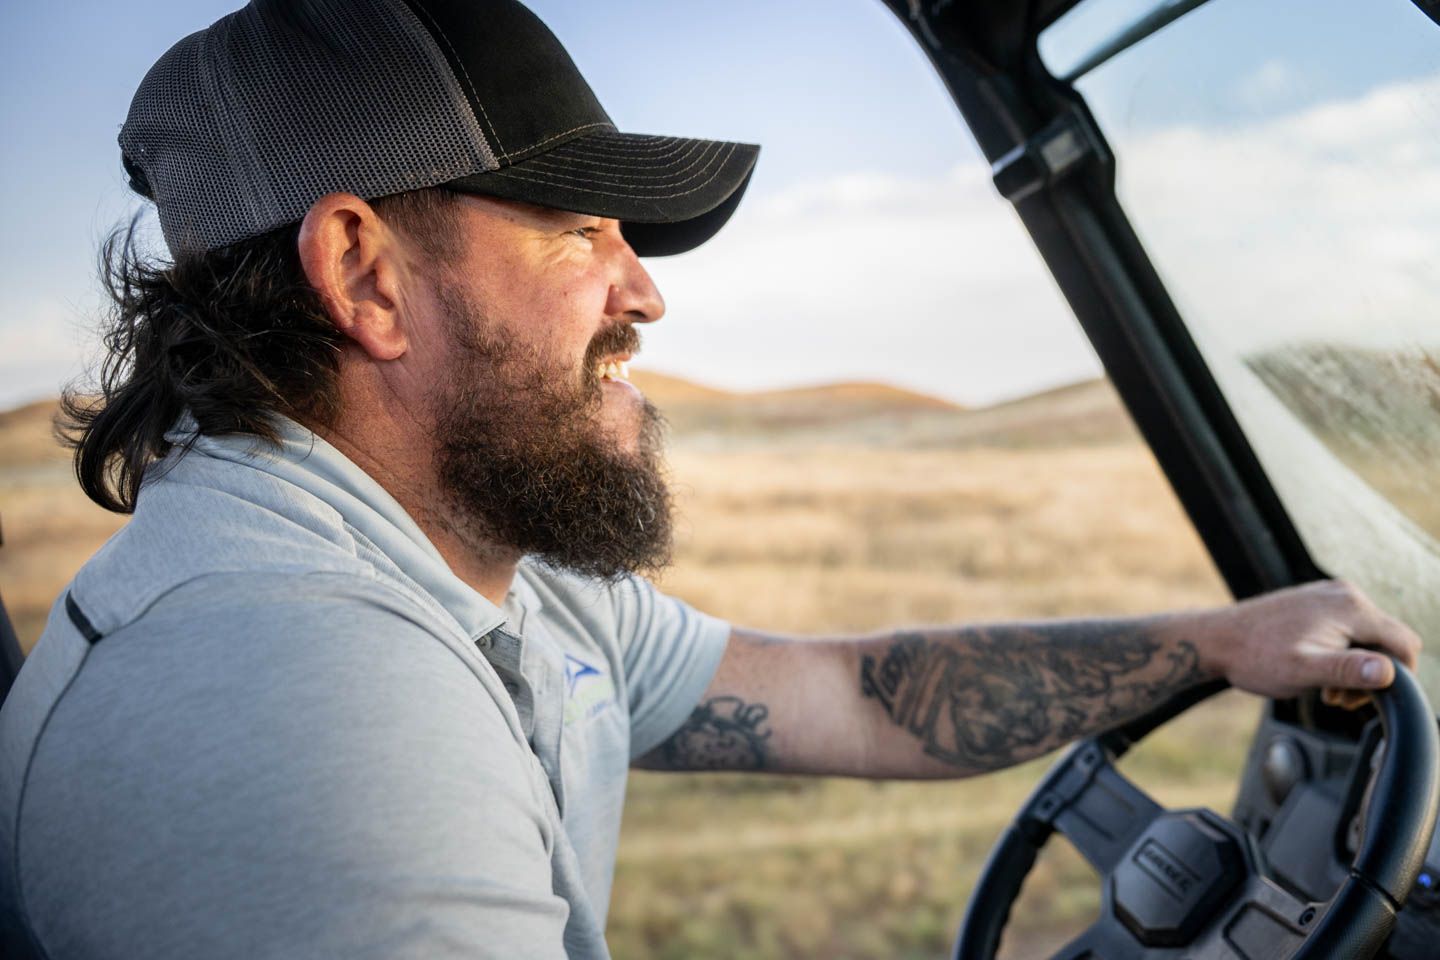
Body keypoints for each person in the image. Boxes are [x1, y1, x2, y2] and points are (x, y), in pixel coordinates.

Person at [0, 1, 1421, 957]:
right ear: (365, 272)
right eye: (581, 229)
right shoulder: (293, 709)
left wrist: (1221, 641)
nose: (645, 295)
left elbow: (847, 697)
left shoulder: (475, 571)